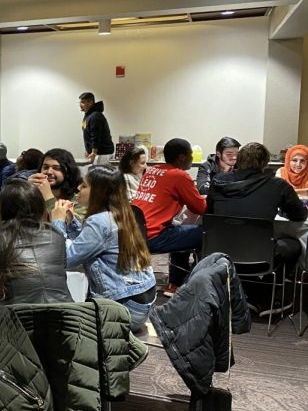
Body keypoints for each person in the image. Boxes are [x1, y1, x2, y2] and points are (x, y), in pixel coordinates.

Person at [51, 166, 156, 331]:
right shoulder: (119, 212)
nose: (79, 188)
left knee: (58, 323)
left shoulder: (100, 221)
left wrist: (57, 222)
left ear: (100, 192)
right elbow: (91, 243)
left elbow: (66, 260)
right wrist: (71, 223)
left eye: (84, 186)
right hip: (140, 304)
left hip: (123, 311)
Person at [0, 179, 72, 305]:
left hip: (17, 317)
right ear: (40, 208)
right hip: (66, 314)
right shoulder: (56, 234)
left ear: (2, 209)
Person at [208, 142, 306, 269]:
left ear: (239, 160)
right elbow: (299, 215)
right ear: (265, 163)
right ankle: (268, 285)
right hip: (260, 254)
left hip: (219, 249)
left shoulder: (218, 180)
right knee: (293, 246)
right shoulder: (278, 185)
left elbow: (209, 212)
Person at [131, 138, 206, 297]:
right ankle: (193, 286)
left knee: (182, 229)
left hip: (134, 233)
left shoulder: (151, 170)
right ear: (182, 157)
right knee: (204, 234)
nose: (193, 158)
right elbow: (200, 208)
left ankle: (175, 283)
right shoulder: (179, 176)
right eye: (190, 154)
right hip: (154, 236)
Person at [79, 92, 114, 165]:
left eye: (82, 102)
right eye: (80, 102)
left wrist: (93, 152)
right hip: (97, 154)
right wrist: (88, 151)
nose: (80, 104)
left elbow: (95, 135)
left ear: (89, 102)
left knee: (100, 176)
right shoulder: (88, 115)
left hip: (101, 154)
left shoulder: (95, 116)